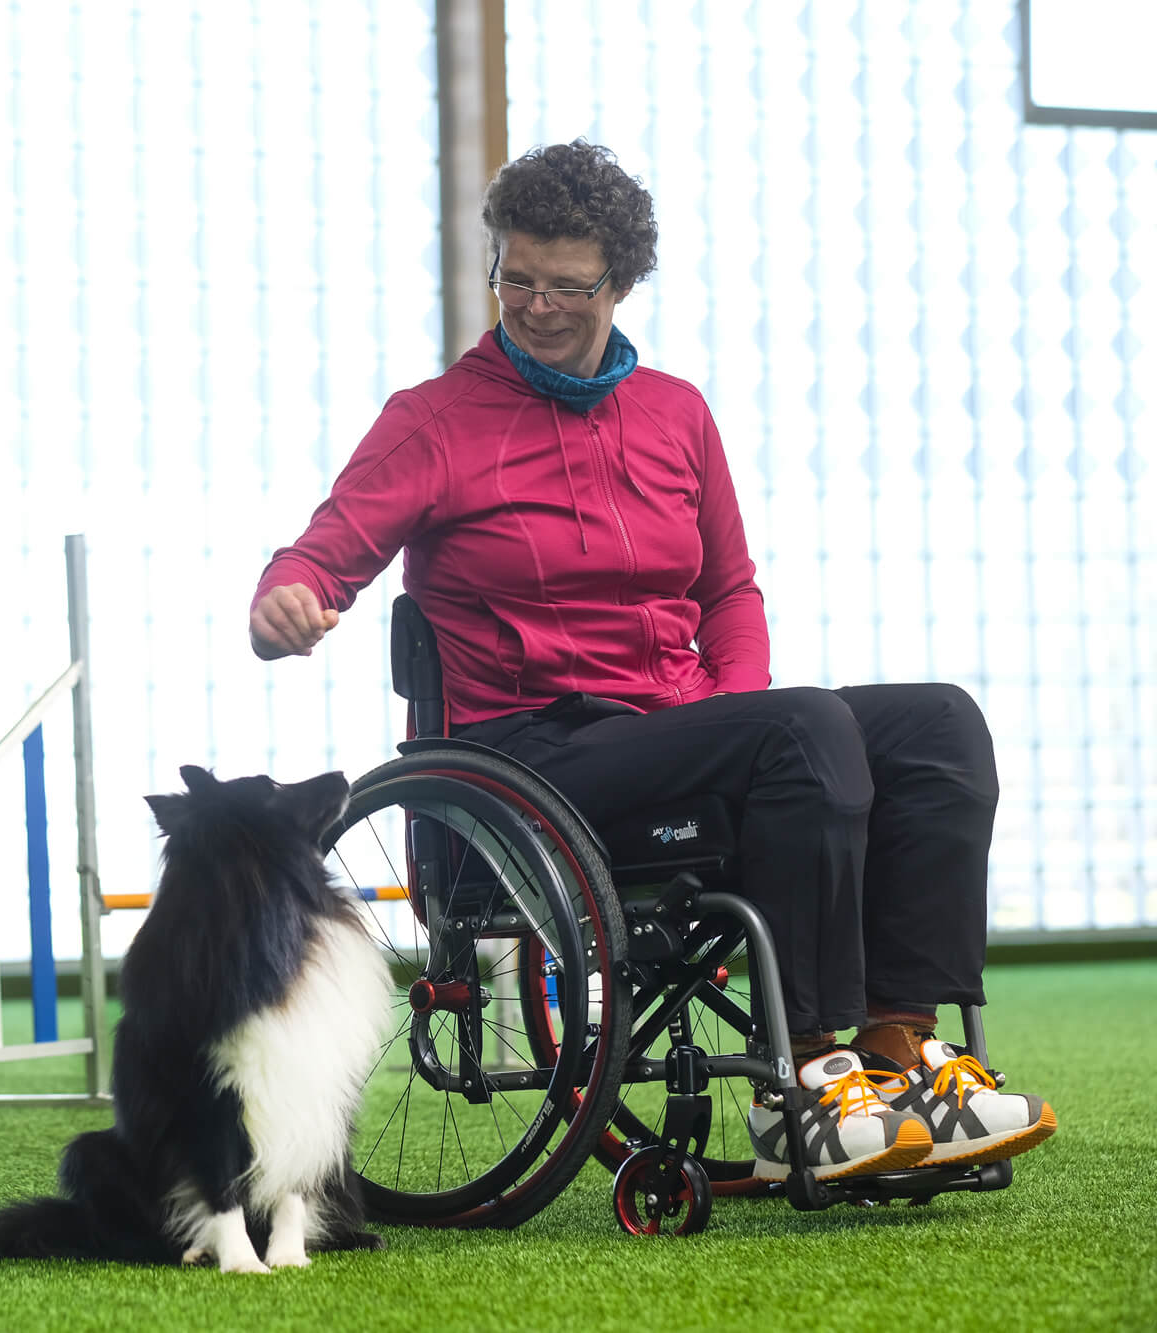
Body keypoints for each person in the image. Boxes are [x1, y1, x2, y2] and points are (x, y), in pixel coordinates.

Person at [247, 140, 1054, 1183]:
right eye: (516, 278)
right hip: (530, 763)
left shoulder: (677, 414)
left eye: (567, 286)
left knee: (938, 721)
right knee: (801, 727)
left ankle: (900, 1048)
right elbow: (321, 554)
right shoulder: (433, 421)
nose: (535, 306)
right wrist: (287, 598)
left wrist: (732, 717)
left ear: (621, 283)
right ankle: (806, 1083)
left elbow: (729, 594)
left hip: (677, 732)